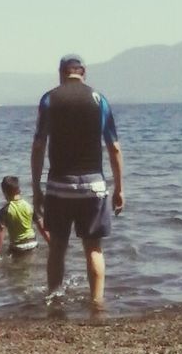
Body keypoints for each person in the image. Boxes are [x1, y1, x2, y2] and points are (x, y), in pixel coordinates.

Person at [31, 54, 124, 309]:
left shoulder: (49, 100)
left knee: (57, 247)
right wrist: (119, 189)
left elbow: (39, 145)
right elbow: (114, 148)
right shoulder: (98, 100)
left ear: (61, 73)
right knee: (93, 248)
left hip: (59, 186)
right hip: (93, 186)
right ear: (84, 73)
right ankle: (97, 302)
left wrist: (36, 187)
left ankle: (54, 300)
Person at [0, 175, 49, 261]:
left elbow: (1, 231)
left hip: (18, 247)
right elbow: (41, 227)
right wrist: (51, 244)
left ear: (4, 192)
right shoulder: (29, 206)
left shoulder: (5, 210)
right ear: (19, 190)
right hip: (33, 244)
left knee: (12, 265)